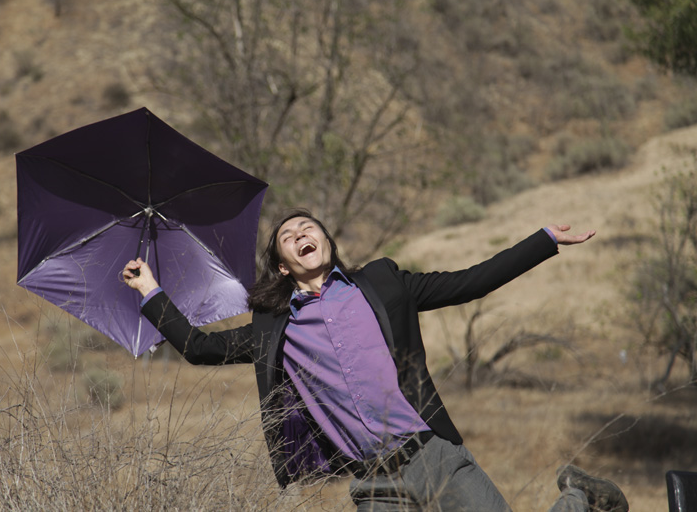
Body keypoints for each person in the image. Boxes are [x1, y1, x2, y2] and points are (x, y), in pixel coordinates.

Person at [123, 208, 629, 512]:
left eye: (309, 226)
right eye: (289, 233)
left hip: (432, 452)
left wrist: (543, 241)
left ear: (325, 241)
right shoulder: (274, 328)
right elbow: (196, 347)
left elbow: (471, 281)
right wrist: (149, 289)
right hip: (374, 480)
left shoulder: (383, 284)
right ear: (283, 263)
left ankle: (579, 497)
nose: (302, 231)